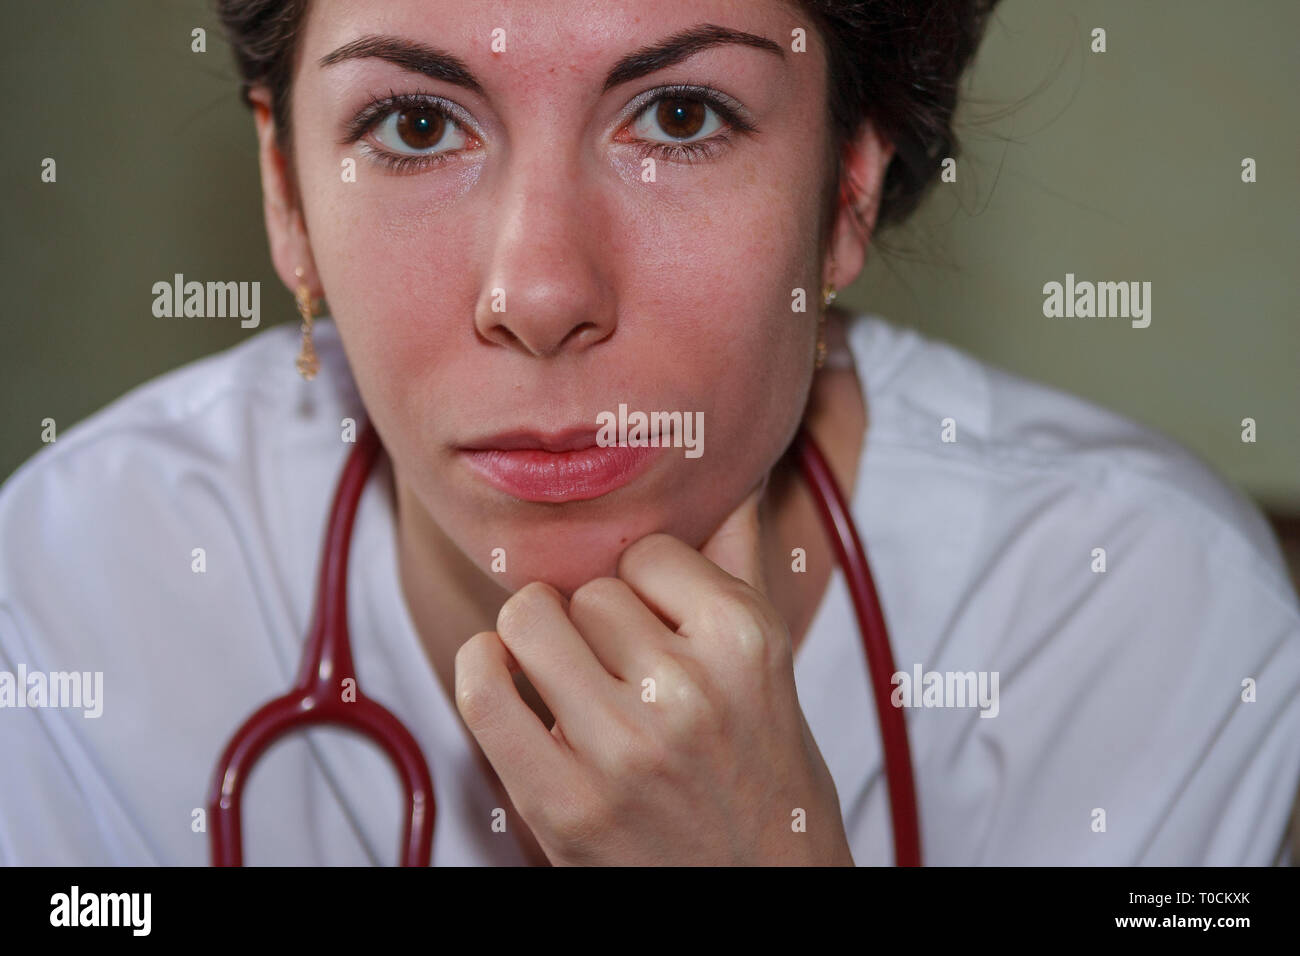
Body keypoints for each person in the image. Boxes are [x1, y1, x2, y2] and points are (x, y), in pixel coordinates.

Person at [1, 0, 1297, 866]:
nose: (542, 292)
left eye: (680, 117)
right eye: (415, 125)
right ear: (287, 196)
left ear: (850, 183)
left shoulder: (1139, 618)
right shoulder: (78, 597)